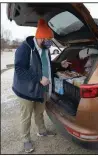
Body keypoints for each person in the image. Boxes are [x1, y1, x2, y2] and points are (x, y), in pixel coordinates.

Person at [12, 19, 70, 153]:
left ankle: (42, 131)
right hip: (25, 91)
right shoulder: (25, 49)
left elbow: (47, 65)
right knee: (26, 117)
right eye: (48, 40)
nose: (50, 43)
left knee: (39, 112)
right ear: (41, 37)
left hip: (40, 88)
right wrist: (39, 79)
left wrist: (60, 65)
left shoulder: (45, 49)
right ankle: (26, 139)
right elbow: (19, 70)